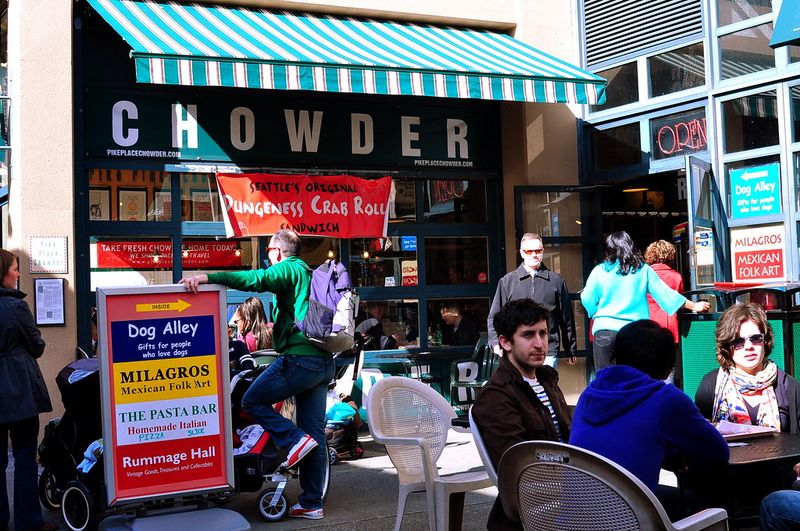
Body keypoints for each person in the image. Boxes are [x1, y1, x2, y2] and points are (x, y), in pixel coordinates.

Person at [181, 229, 331, 520]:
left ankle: (292, 440)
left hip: (299, 359)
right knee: (314, 434)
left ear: (277, 250)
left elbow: (255, 280)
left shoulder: (288, 269)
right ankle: (312, 503)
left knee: (251, 401)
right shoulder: (310, 272)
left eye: (268, 252)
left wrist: (208, 277)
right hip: (322, 361)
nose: (266, 258)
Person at [570, 320, 729, 518]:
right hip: (627, 519)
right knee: (710, 506)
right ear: (666, 369)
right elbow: (718, 452)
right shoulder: (666, 399)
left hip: (574, 517)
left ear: (616, 356)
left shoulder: (589, 393)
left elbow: (624, 439)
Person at [472, 299, 571, 531]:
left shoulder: (547, 380)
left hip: (569, 489)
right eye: (528, 335)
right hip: (539, 505)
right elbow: (518, 466)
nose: (539, 344)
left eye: (543, 333)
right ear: (505, 342)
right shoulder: (496, 395)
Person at [581, 231, 710, 371]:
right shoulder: (642, 270)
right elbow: (666, 294)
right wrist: (694, 306)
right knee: (635, 379)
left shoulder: (599, 271)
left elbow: (587, 297)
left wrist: (595, 312)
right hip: (634, 333)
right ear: (630, 246)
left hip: (604, 331)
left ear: (609, 249)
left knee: (606, 382)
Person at [0, 249, 56, 531]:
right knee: (24, 456)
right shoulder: (15, 307)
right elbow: (37, 345)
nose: (18, 273)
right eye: (15, 268)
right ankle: (28, 522)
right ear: (3, 272)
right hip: (18, 388)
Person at [695, 302, 800, 433]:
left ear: (765, 341)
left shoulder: (788, 387)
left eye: (756, 338)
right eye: (738, 341)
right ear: (727, 346)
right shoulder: (710, 385)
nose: (748, 346)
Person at [487, 233, 577, 368]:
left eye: (538, 250)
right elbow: (494, 317)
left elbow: (566, 318)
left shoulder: (556, 281)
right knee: (519, 389)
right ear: (521, 253)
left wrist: (570, 349)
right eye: (529, 251)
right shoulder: (507, 282)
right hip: (516, 349)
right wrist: (495, 342)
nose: (534, 254)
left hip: (547, 351)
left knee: (544, 388)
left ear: (543, 251)